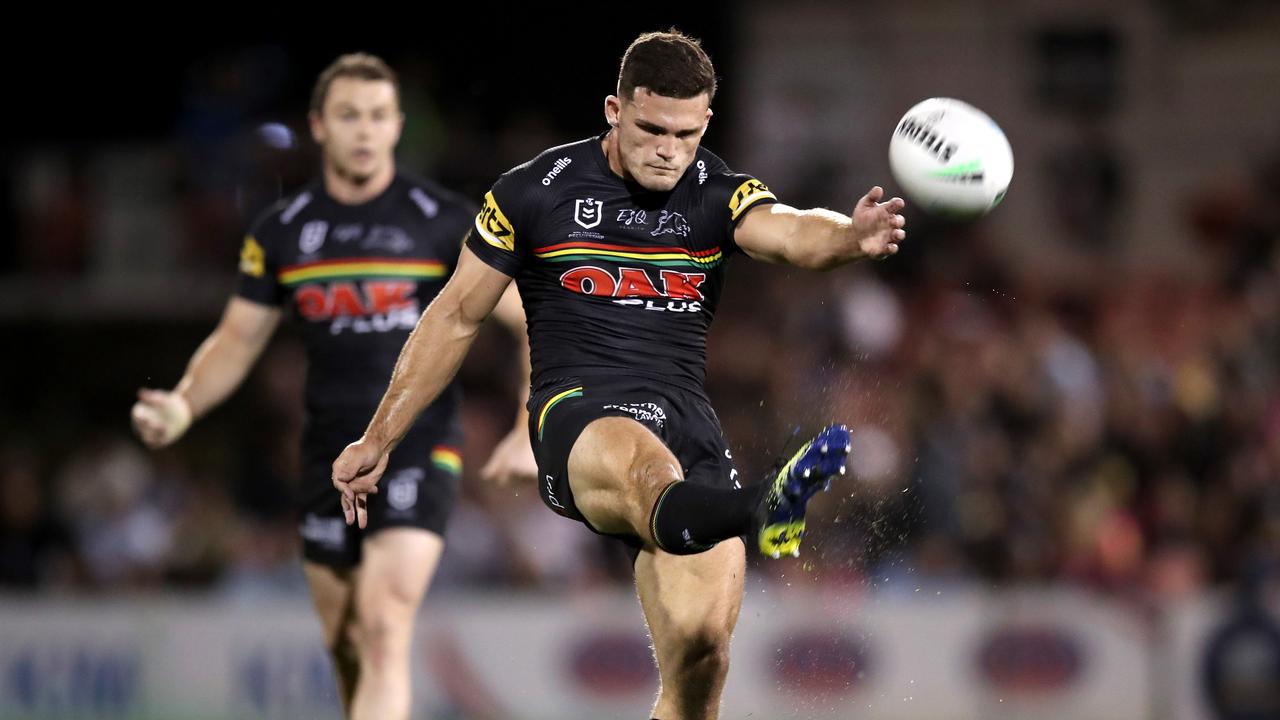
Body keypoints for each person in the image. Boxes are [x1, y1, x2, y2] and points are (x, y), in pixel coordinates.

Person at [331, 31, 905, 720]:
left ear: (706, 125)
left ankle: (744, 511)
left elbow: (787, 231)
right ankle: (757, 510)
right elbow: (454, 317)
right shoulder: (534, 193)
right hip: (581, 415)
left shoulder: (715, 192)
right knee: (645, 469)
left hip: (688, 420)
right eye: (652, 128)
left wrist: (848, 236)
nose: (668, 148)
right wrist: (378, 439)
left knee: (700, 659)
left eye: (685, 134)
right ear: (614, 110)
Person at [130, 53, 534, 720]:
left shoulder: (445, 219)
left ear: (399, 125)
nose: (365, 130)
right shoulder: (283, 230)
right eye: (349, 115)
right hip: (323, 456)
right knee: (347, 641)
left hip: (418, 446)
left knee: (382, 625)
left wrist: (526, 426)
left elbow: (529, 322)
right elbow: (237, 340)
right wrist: (182, 402)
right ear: (319, 126)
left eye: (379, 116)